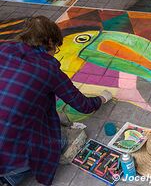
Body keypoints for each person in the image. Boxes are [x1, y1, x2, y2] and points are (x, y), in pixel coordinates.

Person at [0, 16, 112, 186]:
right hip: (9, 151)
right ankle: (9, 178)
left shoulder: (5, 48)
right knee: (58, 141)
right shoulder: (48, 69)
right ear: (50, 42)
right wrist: (102, 98)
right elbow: (83, 105)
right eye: (57, 48)